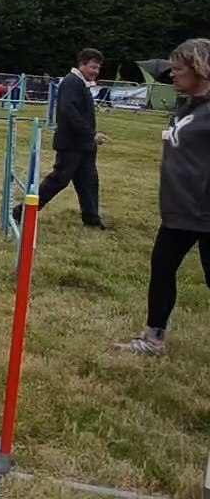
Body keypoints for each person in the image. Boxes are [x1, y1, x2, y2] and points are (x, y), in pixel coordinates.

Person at [113, 38, 210, 355]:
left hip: (206, 212)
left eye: (180, 69)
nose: (173, 75)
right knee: (162, 268)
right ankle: (153, 339)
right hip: (179, 211)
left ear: (200, 69)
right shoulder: (186, 106)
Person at [16, 48, 108, 229]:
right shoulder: (72, 82)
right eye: (93, 67)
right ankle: (23, 211)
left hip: (84, 145)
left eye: (98, 68)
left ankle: (92, 220)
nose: (96, 71)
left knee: (89, 182)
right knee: (59, 180)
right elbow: (68, 112)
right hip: (71, 144)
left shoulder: (80, 83)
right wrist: (90, 133)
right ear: (81, 64)